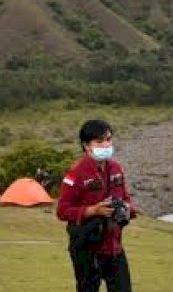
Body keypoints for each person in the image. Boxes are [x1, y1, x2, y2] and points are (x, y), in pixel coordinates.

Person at [57, 120, 137, 292]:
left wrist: (127, 208)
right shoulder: (75, 173)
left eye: (108, 139)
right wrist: (93, 210)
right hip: (87, 246)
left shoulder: (116, 168)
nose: (106, 144)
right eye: (100, 141)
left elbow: (126, 197)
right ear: (86, 145)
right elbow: (62, 211)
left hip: (114, 245)